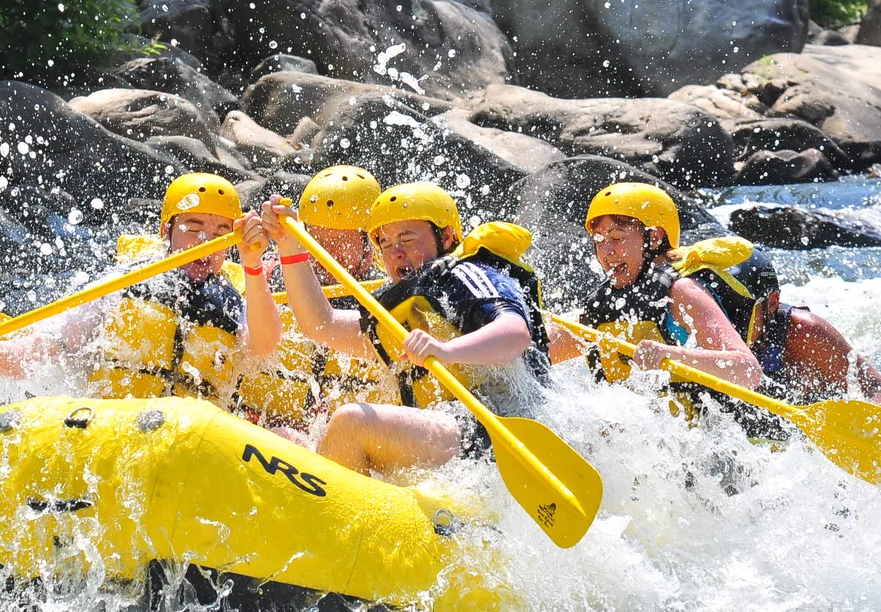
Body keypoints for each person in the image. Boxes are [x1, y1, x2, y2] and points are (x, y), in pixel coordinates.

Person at [262, 181, 553, 476]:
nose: (395, 253)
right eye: (385, 243)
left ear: (447, 235)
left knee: (351, 423)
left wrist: (444, 350)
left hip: (498, 427)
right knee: (287, 441)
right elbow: (322, 325)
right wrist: (289, 245)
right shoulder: (396, 302)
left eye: (407, 238)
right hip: (443, 435)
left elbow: (515, 333)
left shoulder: (467, 273)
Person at [0, 172, 278, 407]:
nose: (206, 242)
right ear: (166, 232)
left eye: (221, 231)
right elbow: (41, 351)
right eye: (193, 228)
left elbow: (264, 344)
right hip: (117, 432)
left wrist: (252, 264)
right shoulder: (123, 287)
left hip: (193, 445)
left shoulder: (235, 300)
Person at [546, 182, 764, 399]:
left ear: (655, 237)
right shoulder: (600, 305)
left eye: (617, 238)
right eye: (599, 240)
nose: (606, 251)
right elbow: (537, 354)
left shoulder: (681, 292)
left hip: (698, 428)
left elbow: (749, 371)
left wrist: (670, 355)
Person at [235, 166, 396, 428]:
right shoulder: (269, 275)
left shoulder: (389, 296)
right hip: (266, 434)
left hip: (341, 448)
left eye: (339, 241)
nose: (325, 254)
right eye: (316, 241)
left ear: (370, 242)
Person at [688, 253, 881, 407]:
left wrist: (863, 426)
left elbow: (880, 389)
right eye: (717, 305)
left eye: (737, 309)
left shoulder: (806, 333)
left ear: (772, 303)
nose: (723, 319)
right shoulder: (691, 320)